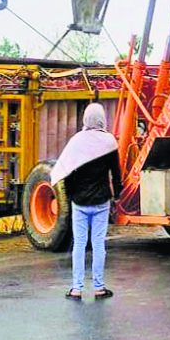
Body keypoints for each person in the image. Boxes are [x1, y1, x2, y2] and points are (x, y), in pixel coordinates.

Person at [51, 103, 122, 301]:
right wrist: (117, 195)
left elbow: (66, 172)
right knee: (98, 244)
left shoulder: (76, 142)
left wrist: (71, 196)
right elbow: (116, 173)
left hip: (79, 202)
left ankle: (76, 288)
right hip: (101, 201)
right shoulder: (109, 142)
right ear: (102, 119)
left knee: (79, 244)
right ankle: (99, 287)